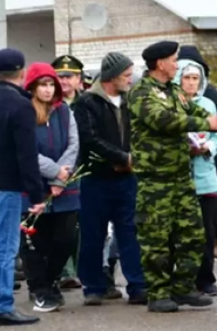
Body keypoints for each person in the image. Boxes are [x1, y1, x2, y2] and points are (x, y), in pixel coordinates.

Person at [129, 41, 217, 314]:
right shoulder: (141, 93)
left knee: (194, 234)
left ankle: (183, 287)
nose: (176, 65)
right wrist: (207, 124)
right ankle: (158, 293)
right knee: (156, 239)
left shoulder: (174, 90)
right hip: (155, 178)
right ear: (160, 64)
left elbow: (198, 112)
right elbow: (164, 121)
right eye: (173, 60)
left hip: (182, 176)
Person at [73, 52, 147, 306]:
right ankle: (94, 286)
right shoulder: (86, 103)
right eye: (126, 75)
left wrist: (133, 158)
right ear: (112, 76)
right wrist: (122, 158)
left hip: (127, 180)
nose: (130, 79)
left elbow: (139, 133)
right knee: (93, 233)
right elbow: (89, 139)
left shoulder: (130, 102)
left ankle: (137, 285)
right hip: (96, 179)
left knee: (130, 232)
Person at [19, 63, 81, 313]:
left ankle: (49, 280)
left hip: (65, 186)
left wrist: (60, 176)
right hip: (33, 185)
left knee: (67, 237)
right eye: (42, 84)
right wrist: (54, 171)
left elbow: (74, 144)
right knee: (35, 241)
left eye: (50, 84)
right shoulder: (24, 112)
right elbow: (25, 150)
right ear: (32, 87)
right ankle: (41, 289)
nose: (47, 89)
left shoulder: (65, 111)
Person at [0, 49, 47, 326]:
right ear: (21, 73)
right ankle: (3, 304)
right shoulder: (20, 105)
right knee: (5, 247)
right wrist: (36, 194)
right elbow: (26, 154)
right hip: (6, 185)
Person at [175, 58, 217, 297]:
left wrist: (208, 147)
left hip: (205, 174)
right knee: (181, 231)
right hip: (178, 174)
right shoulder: (172, 103)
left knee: (206, 229)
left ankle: (206, 278)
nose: (191, 83)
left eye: (195, 78)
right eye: (187, 78)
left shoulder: (208, 103)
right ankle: (181, 278)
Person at [50, 54, 83, 291]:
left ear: (79, 79)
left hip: (83, 170)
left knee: (78, 226)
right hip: (55, 172)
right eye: (59, 76)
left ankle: (77, 270)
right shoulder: (48, 105)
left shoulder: (86, 103)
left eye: (69, 76)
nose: (64, 81)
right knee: (60, 226)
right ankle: (65, 272)